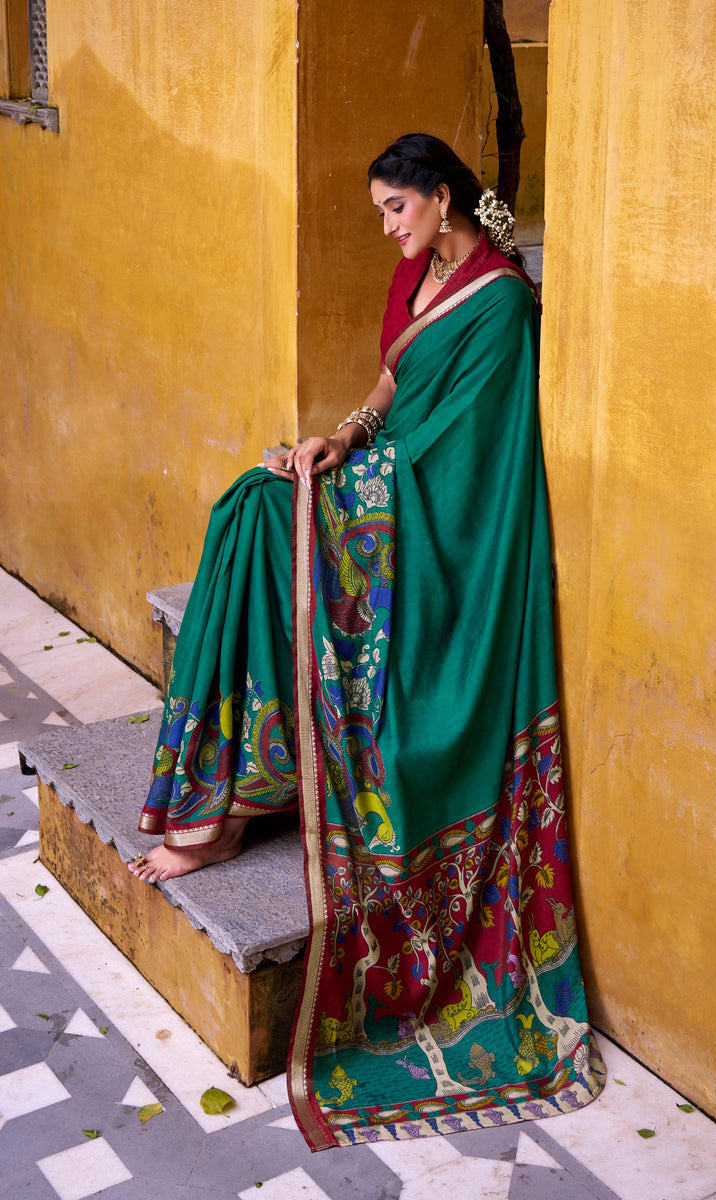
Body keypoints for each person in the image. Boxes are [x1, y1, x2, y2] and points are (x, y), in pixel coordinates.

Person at [129, 133, 606, 1149]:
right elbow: (391, 387)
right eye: (382, 211)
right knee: (250, 506)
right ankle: (240, 793)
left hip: (444, 532)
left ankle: (232, 806)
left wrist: (360, 480)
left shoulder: (501, 305)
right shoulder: (415, 277)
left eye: (397, 208)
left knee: (267, 513)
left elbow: (467, 451)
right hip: (392, 474)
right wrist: (343, 436)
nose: (388, 228)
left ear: (442, 198)